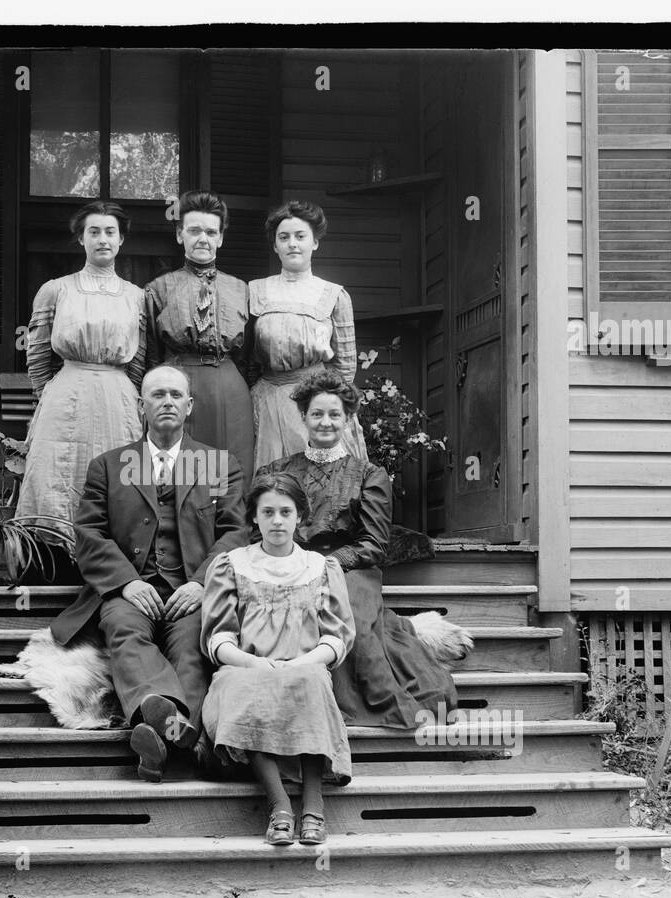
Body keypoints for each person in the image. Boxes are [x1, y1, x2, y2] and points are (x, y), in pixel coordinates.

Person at [50, 365, 248, 782]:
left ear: (189, 406)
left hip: (190, 591)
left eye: (176, 395)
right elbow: (88, 532)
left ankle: (157, 738)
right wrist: (127, 581)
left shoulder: (216, 464)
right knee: (123, 631)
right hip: (131, 590)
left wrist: (201, 582)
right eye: (158, 395)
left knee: (195, 646)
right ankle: (177, 731)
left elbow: (236, 533)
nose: (168, 402)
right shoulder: (110, 465)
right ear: (142, 406)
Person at [256, 370, 459, 728]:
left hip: (352, 567)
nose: (325, 422)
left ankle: (371, 701)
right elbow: (260, 526)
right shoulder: (279, 470)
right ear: (302, 417)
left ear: (348, 420)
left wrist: (328, 563)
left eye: (335, 415)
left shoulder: (369, 474)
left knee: (352, 622)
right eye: (317, 414)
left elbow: (374, 543)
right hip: (289, 563)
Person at [200, 472, 355, 846]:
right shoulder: (232, 564)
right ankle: (280, 805)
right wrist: (252, 663)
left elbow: (337, 635)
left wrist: (304, 663)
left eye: (286, 512)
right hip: (249, 667)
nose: (277, 521)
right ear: (254, 517)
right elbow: (218, 635)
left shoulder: (320, 567)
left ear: (300, 516)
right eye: (267, 512)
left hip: (303, 665)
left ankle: (314, 806)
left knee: (313, 682)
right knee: (240, 686)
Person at [15, 201, 147, 541]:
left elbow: (139, 361)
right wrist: (49, 398)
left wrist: (129, 400)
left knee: (119, 476)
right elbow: (39, 353)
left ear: (121, 241)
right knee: (58, 474)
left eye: (110, 232)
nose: (103, 239)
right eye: (94, 232)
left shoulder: (136, 297)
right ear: (81, 239)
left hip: (119, 400)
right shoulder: (56, 290)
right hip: (66, 396)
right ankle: (55, 556)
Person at [143, 190, 255, 478]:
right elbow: (152, 355)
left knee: (230, 471)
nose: (202, 238)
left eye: (210, 231)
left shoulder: (241, 290)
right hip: (178, 383)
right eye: (194, 231)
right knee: (182, 469)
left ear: (220, 238)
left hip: (230, 387)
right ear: (180, 235)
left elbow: (248, 354)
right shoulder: (159, 288)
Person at [248, 199, 368, 468]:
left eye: (300, 236)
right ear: (275, 245)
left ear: (314, 242)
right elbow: (248, 357)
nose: (292, 243)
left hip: (315, 401)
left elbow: (345, 368)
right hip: (267, 401)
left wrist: (322, 405)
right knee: (273, 484)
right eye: (284, 237)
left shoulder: (334, 295)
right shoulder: (255, 291)